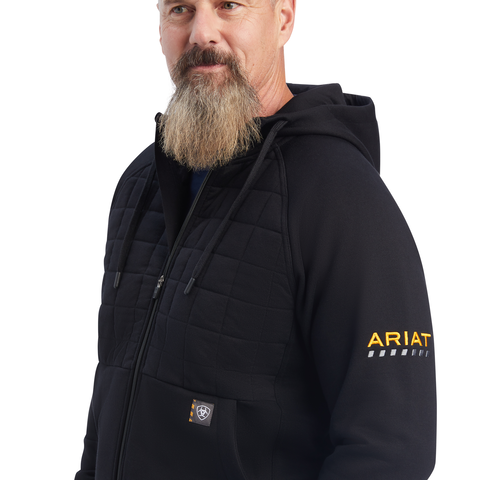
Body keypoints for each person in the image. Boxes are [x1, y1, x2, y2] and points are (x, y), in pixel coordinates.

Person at [75, 1, 436, 479]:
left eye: (229, 6)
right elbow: (111, 399)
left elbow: (391, 450)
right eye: (181, 9)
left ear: (283, 19)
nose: (201, 32)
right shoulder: (141, 183)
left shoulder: (340, 195)